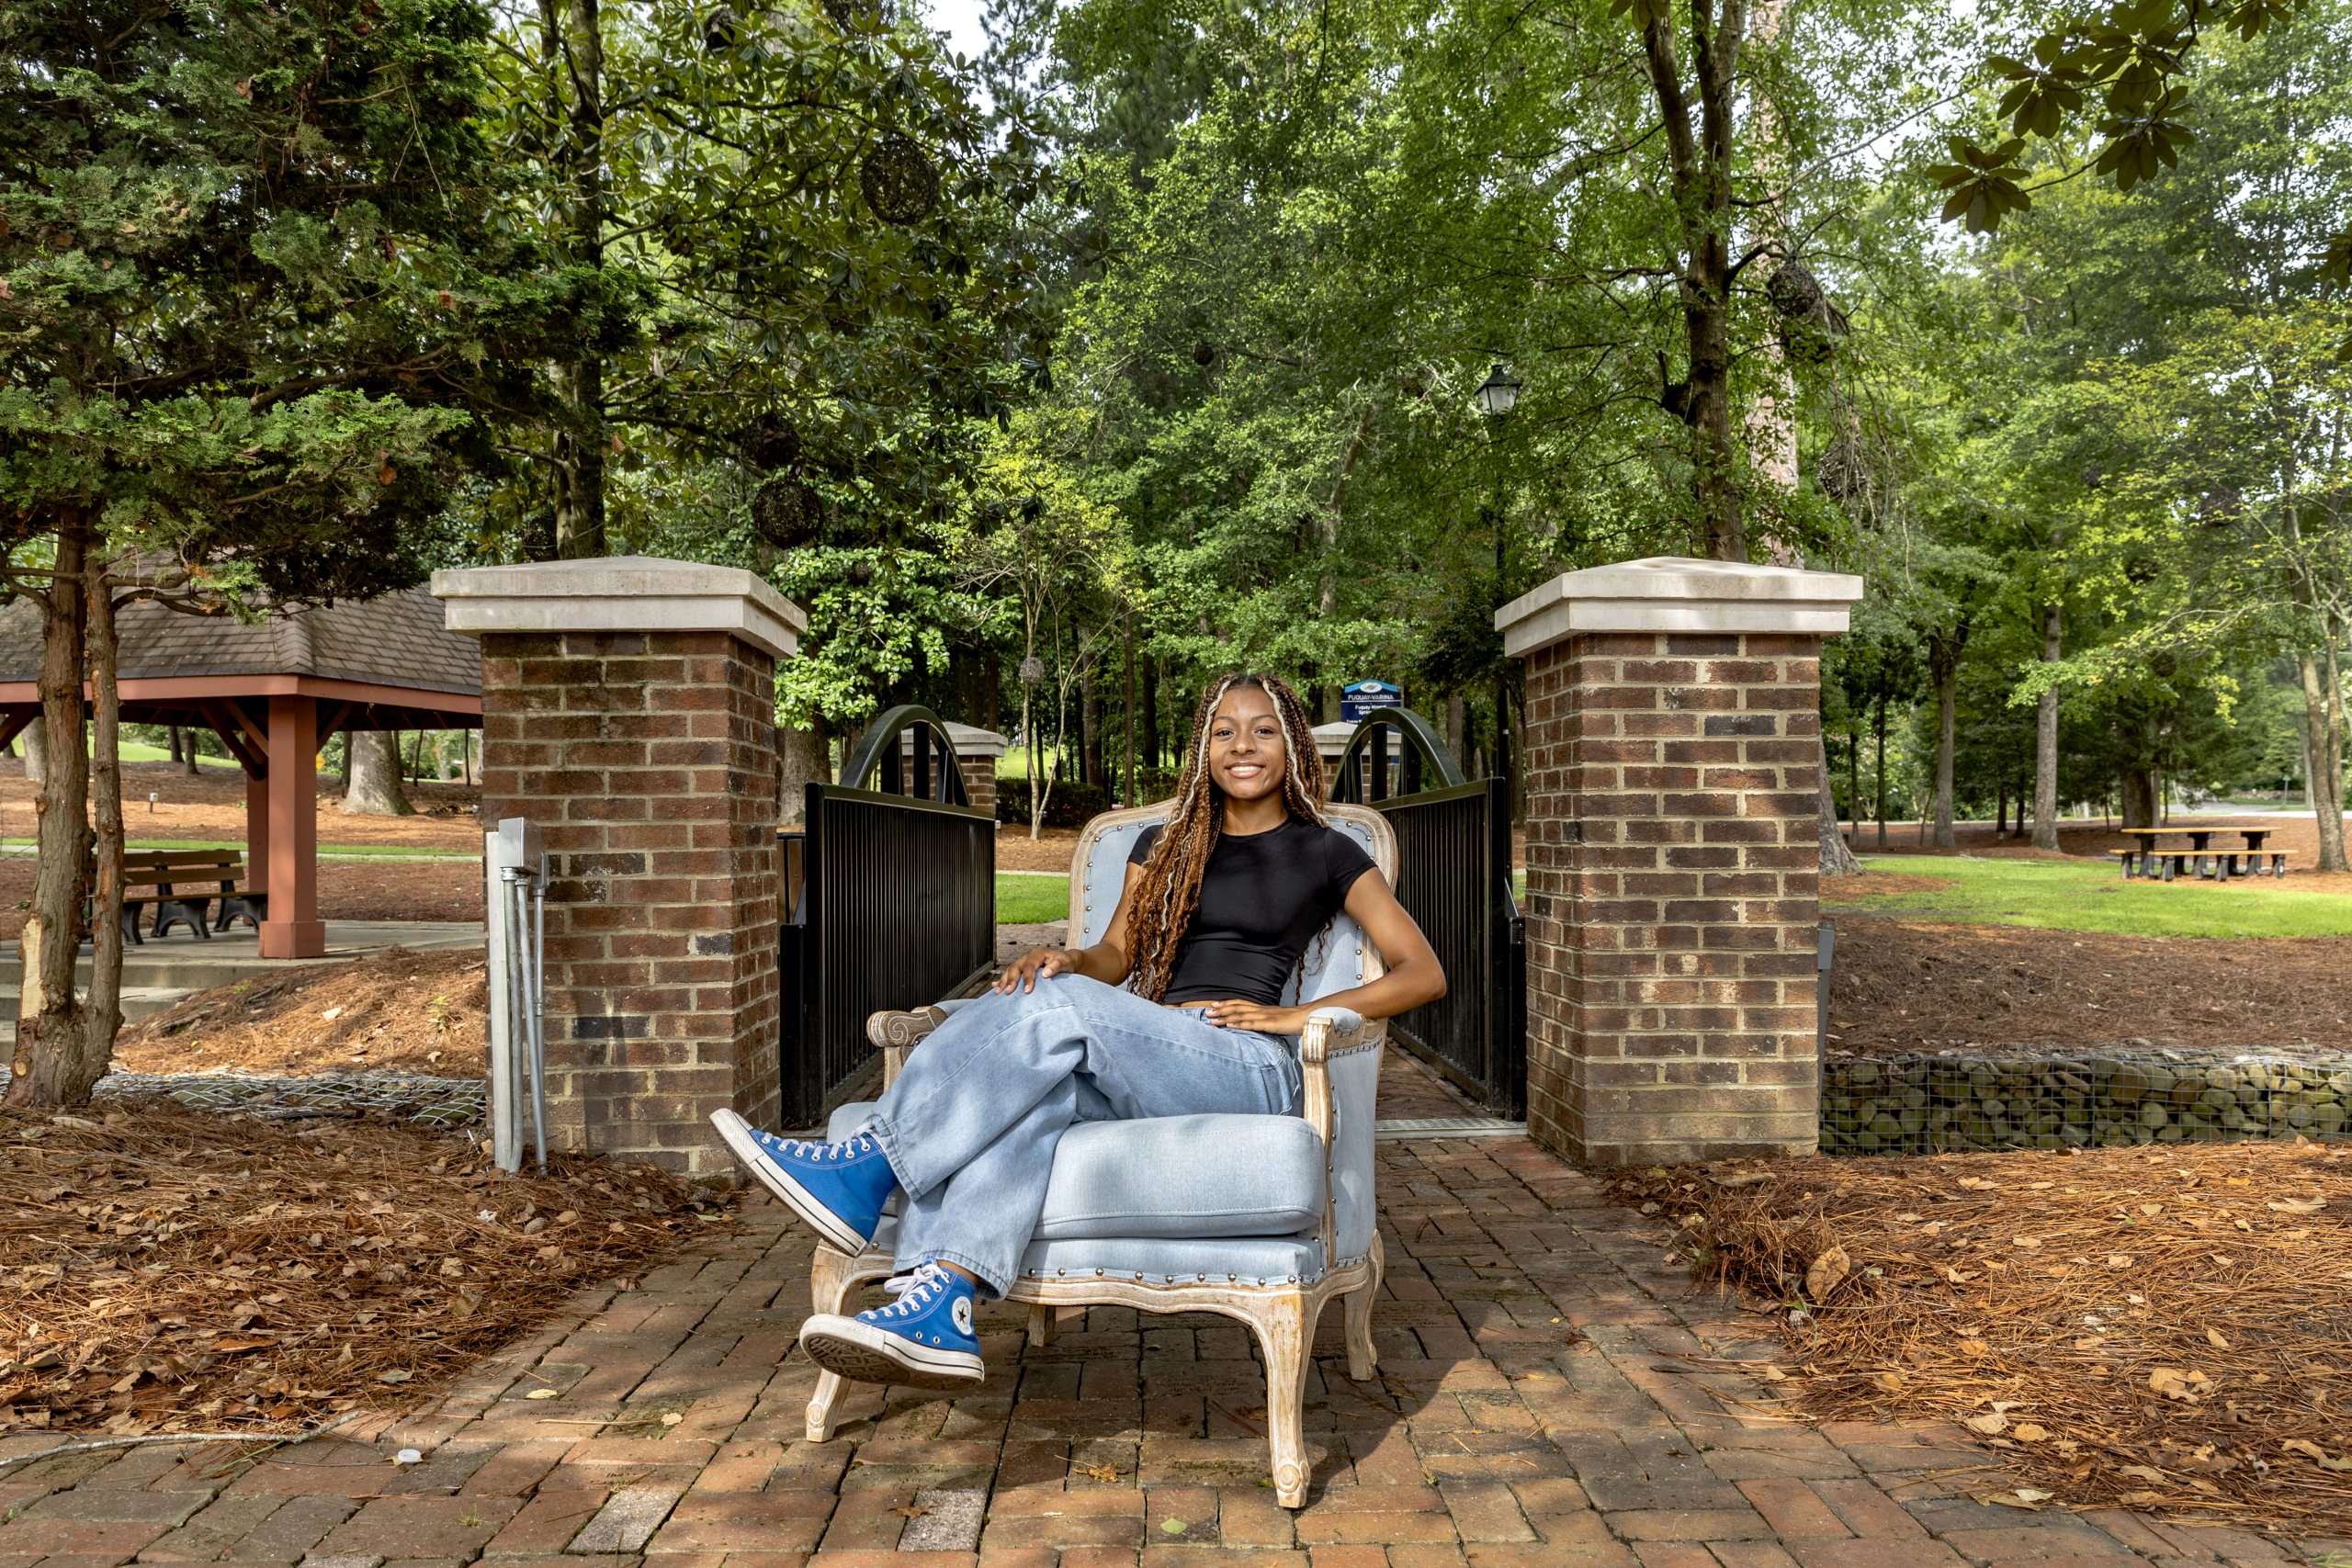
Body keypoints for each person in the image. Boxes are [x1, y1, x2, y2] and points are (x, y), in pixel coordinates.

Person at [713, 671, 1446, 1389]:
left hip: (1247, 1064)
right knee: (1029, 1096)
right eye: (1225, 731)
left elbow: (1422, 971)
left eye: (1262, 730)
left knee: (1058, 1003)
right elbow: (1116, 955)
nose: (1242, 745)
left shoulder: (1326, 849)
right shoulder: (1165, 842)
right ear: (1203, 748)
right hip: (1153, 1050)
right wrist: (1069, 956)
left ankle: (866, 1165)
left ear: (1289, 746)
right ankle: (942, 1304)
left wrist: (1296, 1016)